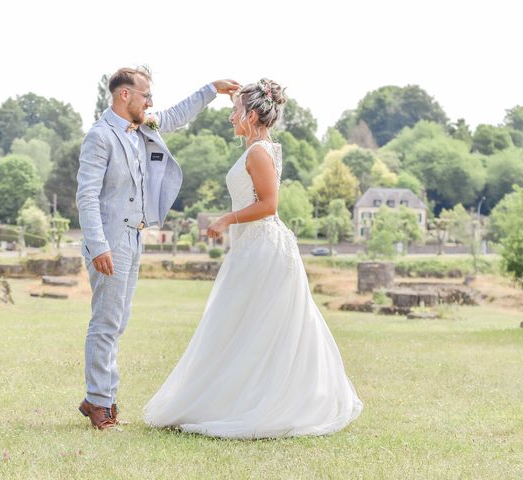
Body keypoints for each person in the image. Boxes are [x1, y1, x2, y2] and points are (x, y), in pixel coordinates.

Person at [144, 79, 363, 439]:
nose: (231, 117)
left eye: (236, 111)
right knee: (241, 325)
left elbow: (269, 204)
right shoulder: (257, 148)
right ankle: (237, 398)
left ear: (252, 114)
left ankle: (261, 402)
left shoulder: (260, 152)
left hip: (264, 249)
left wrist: (226, 219)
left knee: (257, 326)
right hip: (251, 248)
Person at [76, 66, 239, 430]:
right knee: (105, 322)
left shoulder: (142, 125)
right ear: (124, 95)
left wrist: (211, 89)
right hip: (110, 241)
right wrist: (98, 245)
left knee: (118, 321)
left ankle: (95, 397)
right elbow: (86, 196)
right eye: (145, 94)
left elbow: (177, 115)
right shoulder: (99, 137)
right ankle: (102, 403)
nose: (151, 101)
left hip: (134, 237)